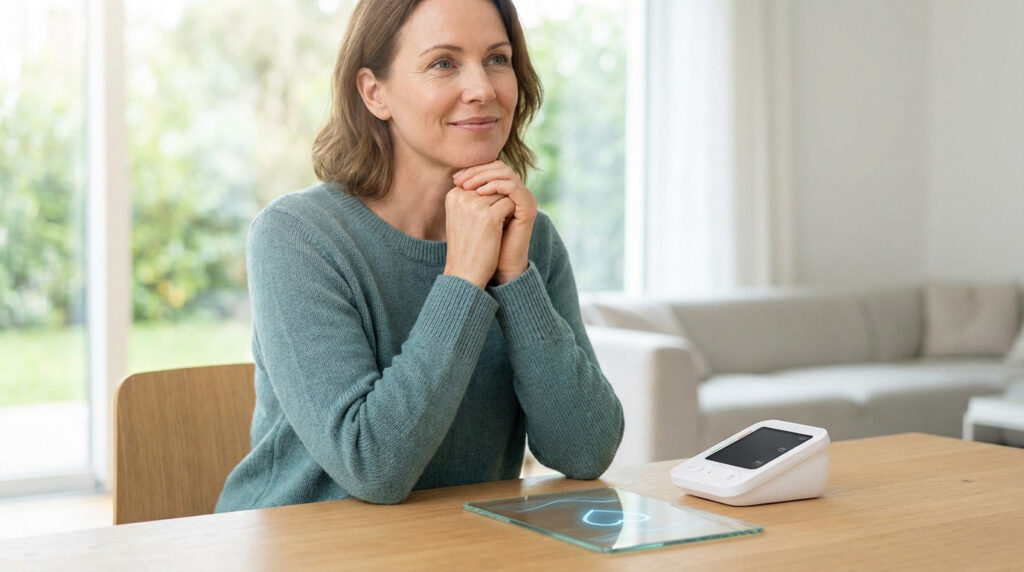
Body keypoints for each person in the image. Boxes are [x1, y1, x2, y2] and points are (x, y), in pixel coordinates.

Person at [216, 0, 624, 511]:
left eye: (498, 59)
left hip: (458, 547)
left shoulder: (529, 237)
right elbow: (372, 466)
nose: (482, 90)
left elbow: (585, 451)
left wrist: (514, 277)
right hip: (304, 550)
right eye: (443, 63)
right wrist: (463, 278)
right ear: (374, 92)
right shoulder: (297, 237)